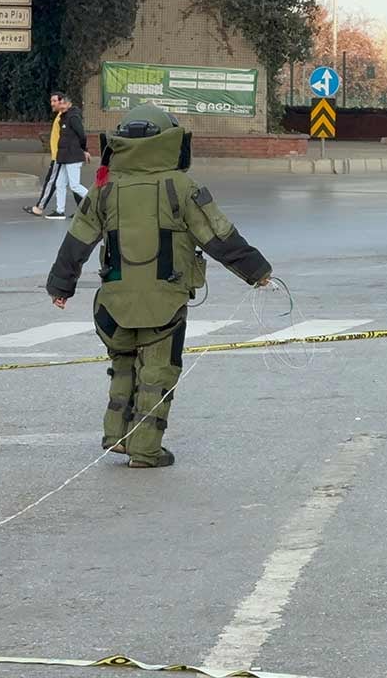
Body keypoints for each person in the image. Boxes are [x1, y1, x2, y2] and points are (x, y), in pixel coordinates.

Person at [44, 104, 272, 468]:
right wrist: (257, 271)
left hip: (114, 301)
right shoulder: (181, 187)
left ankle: (117, 436)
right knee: (157, 373)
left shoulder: (104, 187)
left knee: (123, 365)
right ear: (170, 142)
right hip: (164, 300)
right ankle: (146, 450)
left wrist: (61, 286)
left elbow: (77, 240)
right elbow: (218, 236)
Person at [46, 91, 91, 220]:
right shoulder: (63, 117)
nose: (59, 106)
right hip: (64, 156)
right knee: (60, 184)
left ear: (68, 104)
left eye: (62, 103)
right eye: (59, 103)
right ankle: (60, 211)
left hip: (73, 156)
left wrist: (84, 150)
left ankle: (95, 201)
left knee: (74, 185)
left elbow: (82, 135)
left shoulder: (73, 117)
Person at [23, 93, 65, 217]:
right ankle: (79, 209)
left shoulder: (63, 117)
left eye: (54, 101)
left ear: (61, 101)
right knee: (70, 184)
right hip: (60, 155)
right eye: (51, 101)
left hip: (59, 156)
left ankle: (39, 208)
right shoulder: (60, 116)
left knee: (50, 182)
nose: (52, 104)